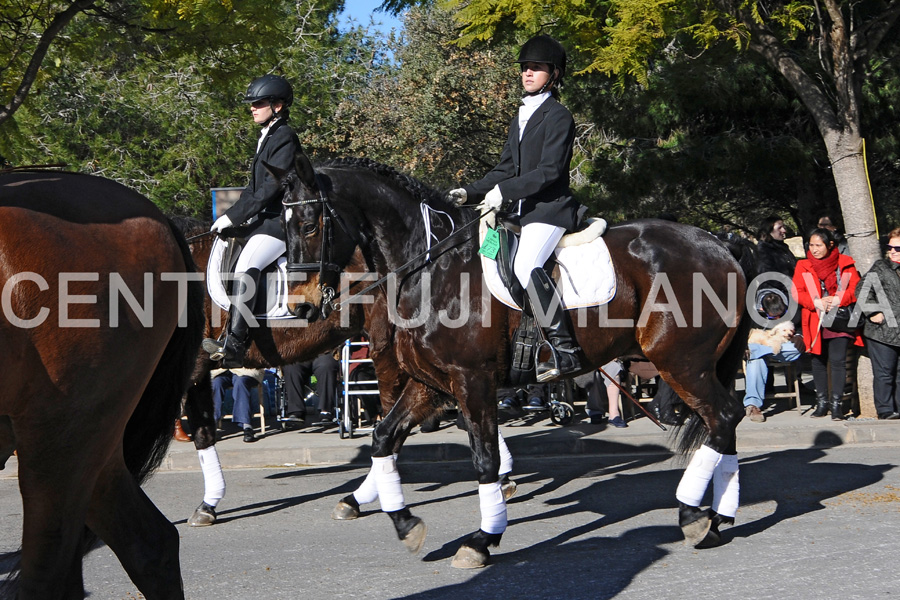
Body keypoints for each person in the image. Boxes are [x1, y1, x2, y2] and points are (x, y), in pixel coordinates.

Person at [446, 34, 587, 382]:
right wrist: (469, 191)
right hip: (521, 214)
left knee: (525, 265)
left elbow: (550, 171)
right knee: (484, 256)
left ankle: (565, 349)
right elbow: (505, 169)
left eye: (536, 68)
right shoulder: (521, 116)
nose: (528, 73)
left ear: (553, 75)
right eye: (525, 68)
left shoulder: (558, 116)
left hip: (550, 210)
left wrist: (503, 192)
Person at [202, 74, 305, 367]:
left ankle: (235, 343)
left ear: (278, 105)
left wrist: (234, 215)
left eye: (258, 103)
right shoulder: (268, 136)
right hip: (263, 219)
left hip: (280, 223)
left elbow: (271, 187)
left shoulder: (285, 136)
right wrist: (230, 218)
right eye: (252, 103)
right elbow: (252, 189)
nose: (252, 108)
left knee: (249, 266)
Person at [792, 227, 864, 420]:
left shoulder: (845, 263)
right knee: (817, 361)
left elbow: (856, 289)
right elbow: (796, 292)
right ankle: (821, 403)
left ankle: (837, 405)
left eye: (818, 245)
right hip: (815, 319)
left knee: (838, 361)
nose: (813, 249)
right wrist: (815, 302)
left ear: (830, 245)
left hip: (840, 319)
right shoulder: (803, 265)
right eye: (811, 245)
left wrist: (838, 299)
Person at [856, 228, 900, 419]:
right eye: (890, 247)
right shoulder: (881, 267)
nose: (892, 251)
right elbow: (862, 290)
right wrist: (873, 311)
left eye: (897, 248)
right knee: (885, 373)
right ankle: (885, 411)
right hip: (882, 332)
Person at [211, 367, 266, 442]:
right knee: (215, 384)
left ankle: (247, 427)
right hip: (222, 371)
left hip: (246, 370)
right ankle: (211, 426)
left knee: (241, 383)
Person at [585, 361, 627, 427]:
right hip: (582, 362)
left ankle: (614, 414)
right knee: (593, 374)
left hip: (604, 358)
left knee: (614, 367)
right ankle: (595, 411)